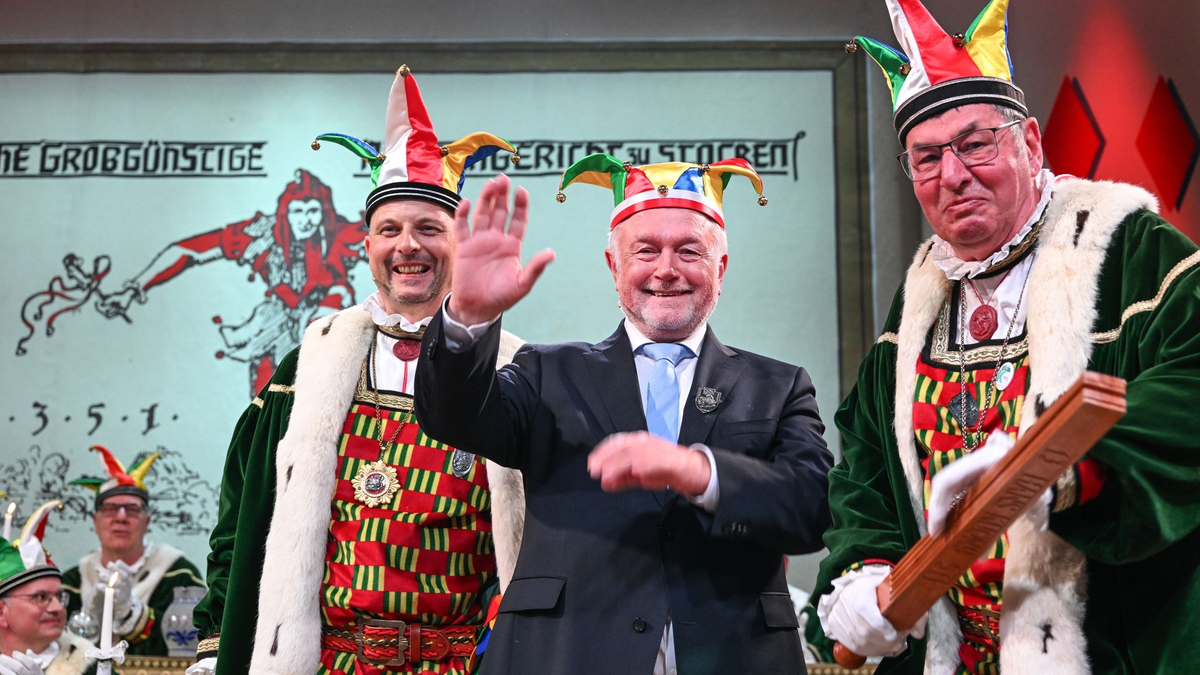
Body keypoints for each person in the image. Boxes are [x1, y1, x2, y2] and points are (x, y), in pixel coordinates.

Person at [814, 1, 1200, 673]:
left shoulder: (1134, 253)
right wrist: (863, 568)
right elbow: (868, 462)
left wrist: (1063, 468)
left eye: (974, 143)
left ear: (1030, 143)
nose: (953, 175)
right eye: (927, 157)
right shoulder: (917, 305)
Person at [414, 154, 834, 674]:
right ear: (614, 267)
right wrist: (466, 322)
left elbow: (814, 508)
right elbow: (452, 417)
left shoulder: (778, 385)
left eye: (688, 251)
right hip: (567, 657)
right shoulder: (548, 371)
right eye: (645, 251)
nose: (666, 269)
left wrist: (700, 472)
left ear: (719, 269)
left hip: (732, 655)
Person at [189, 65, 527, 675]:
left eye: (430, 228)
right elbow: (238, 523)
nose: (408, 246)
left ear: (461, 242)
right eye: (388, 230)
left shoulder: (514, 372)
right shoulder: (306, 369)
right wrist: (216, 647)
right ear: (364, 245)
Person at [96, 168, 366, 395]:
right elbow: (188, 251)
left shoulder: (341, 234)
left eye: (312, 211)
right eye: (298, 211)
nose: (305, 221)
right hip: (274, 328)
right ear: (286, 212)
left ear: (323, 212)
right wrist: (134, 288)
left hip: (327, 324)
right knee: (267, 406)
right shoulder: (263, 234)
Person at [61, 446, 204, 658]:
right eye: (110, 509)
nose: (121, 517)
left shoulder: (180, 575)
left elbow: (192, 650)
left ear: (147, 522)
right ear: (96, 522)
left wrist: (133, 615)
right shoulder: (71, 582)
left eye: (133, 509)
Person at [0, 502, 95, 675]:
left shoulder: (90, 665)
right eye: (41, 597)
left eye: (59, 596)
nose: (57, 608)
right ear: (1, 611)